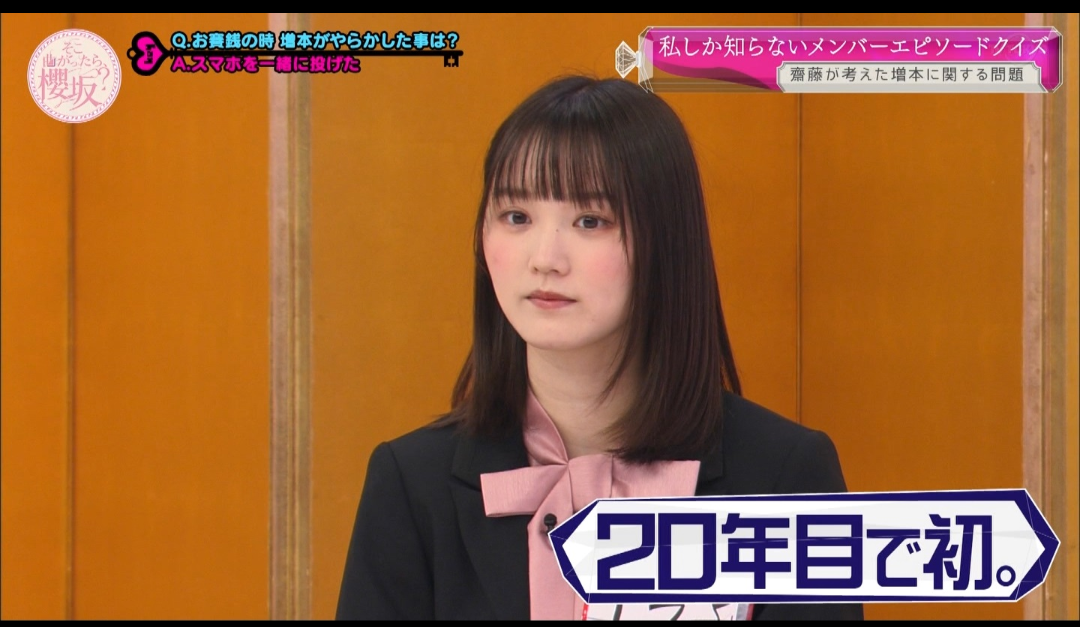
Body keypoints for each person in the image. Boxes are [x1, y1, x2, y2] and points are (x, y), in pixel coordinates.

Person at [336, 75, 863, 621]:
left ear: (666, 243)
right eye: (517, 217)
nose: (545, 259)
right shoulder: (411, 482)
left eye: (590, 221)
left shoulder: (785, 476)